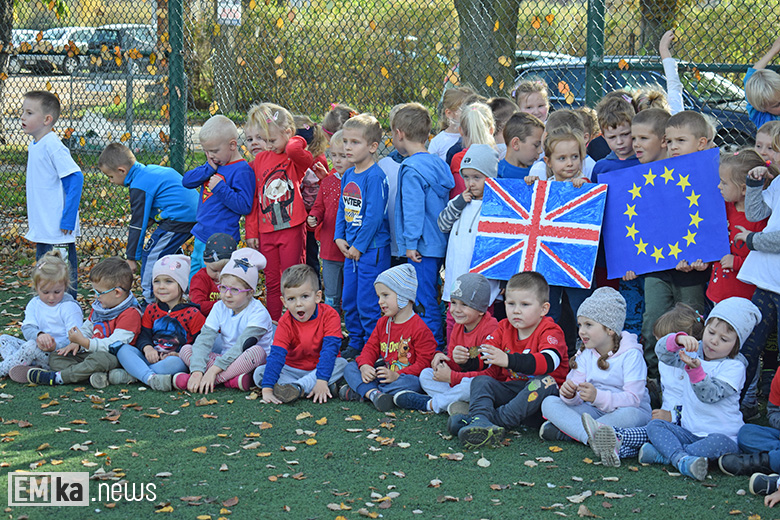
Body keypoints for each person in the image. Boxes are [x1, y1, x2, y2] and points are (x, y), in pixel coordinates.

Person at [640, 297, 759, 481]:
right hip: (688, 431)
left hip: (723, 435)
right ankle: (682, 459)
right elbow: (663, 354)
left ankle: (667, 455)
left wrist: (695, 370)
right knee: (655, 425)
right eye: (711, 332)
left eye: (724, 339)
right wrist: (677, 338)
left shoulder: (735, 367)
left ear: (736, 344)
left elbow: (709, 395)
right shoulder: (694, 352)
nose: (714, 341)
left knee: (719, 443)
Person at [452, 272, 569, 449]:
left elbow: (548, 361)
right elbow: (485, 353)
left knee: (544, 382)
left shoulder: (551, 330)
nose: (516, 310)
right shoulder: (504, 326)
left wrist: (507, 359)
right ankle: (480, 419)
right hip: (514, 390)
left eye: (525, 305)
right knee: (481, 380)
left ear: (544, 309)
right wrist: (466, 357)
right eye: (511, 303)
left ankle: (495, 421)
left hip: (544, 399)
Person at [581, 303, 705, 467]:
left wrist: (673, 416)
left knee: (651, 431)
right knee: (652, 437)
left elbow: (696, 405)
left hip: (681, 425)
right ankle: (617, 449)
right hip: (665, 423)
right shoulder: (666, 362)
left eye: (663, 341)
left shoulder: (696, 366)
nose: (658, 346)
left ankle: (615, 435)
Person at [539, 288, 651, 467]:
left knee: (631, 415)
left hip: (625, 412)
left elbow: (634, 399)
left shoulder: (631, 355)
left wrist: (597, 397)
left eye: (588, 325)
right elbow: (576, 394)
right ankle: (593, 437)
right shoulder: (585, 353)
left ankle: (570, 432)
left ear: (609, 329)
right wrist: (569, 395)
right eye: (580, 325)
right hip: (594, 412)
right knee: (549, 403)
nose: (581, 331)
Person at [641, 111, 712, 378]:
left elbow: (714, 225)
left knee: (691, 325)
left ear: (701, 143)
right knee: (652, 324)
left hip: (694, 271)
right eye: (669, 141)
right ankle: (654, 380)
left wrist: (705, 257)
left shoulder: (711, 176)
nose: (673, 147)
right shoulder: (654, 176)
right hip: (658, 268)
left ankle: (691, 377)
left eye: (681, 140)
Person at [11, 257, 141, 389]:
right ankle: (95, 376)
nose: (96, 296)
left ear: (117, 292)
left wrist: (85, 343)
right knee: (56, 358)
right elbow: (88, 327)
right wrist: (76, 344)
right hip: (91, 352)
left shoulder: (130, 313)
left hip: (114, 357)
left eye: (99, 292)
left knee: (99, 360)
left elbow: (114, 345)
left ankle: (58, 378)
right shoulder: (102, 306)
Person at [98, 143, 198, 302]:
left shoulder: (139, 185)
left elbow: (137, 225)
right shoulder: (148, 172)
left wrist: (131, 257)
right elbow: (150, 212)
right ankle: (181, 292)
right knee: (169, 252)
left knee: (151, 255)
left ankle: (149, 299)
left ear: (122, 171)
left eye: (110, 176)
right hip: (189, 213)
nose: (110, 181)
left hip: (179, 216)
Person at [244, 103, 315, 321]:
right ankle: (273, 325)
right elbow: (255, 200)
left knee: (293, 279)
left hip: (291, 228)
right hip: (267, 231)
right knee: (273, 282)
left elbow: (297, 149)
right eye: (266, 140)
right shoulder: (259, 161)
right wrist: (252, 232)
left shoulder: (294, 157)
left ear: (288, 133)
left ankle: (298, 322)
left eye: (271, 139)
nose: (268, 145)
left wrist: (293, 139)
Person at [393, 103, 455, 346]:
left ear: (399, 134)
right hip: (438, 241)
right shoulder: (438, 163)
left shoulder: (411, 169)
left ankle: (431, 347)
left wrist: (410, 243)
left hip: (421, 246)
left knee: (422, 297)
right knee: (434, 293)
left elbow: (413, 210)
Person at [174, 248, 274, 393]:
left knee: (257, 352)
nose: (227, 294)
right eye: (223, 288)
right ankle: (230, 379)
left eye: (235, 290)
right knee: (187, 349)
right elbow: (204, 339)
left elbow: (242, 346)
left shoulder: (258, 312)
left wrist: (212, 372)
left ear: (250, 292)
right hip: (225, 359)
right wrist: (197, 371)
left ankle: (214, 381)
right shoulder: (219, 307)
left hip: (247, 359)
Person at [396, 273, 499, 413]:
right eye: (454, 302)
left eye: (464, 304)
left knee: (469, 386)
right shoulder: (458, 325)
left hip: (484, 385)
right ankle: (457, 404)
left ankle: (431, 405)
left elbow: (490, 374)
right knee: (426, 374)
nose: (456, 310)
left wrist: (452, 376)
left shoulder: (491, 329)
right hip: (460, 382)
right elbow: (455, 364)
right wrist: (443, 359)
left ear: (481, 309)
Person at [340, 264, 437, 411]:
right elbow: (370, 348)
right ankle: (375, 394)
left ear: (404, 295)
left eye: (385, 295)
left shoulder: (420, 328)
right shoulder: (383, 323)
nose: (380, 301)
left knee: (415, 383)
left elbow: (424, 364)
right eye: (379, 296)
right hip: (383, 375)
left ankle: (364, 392)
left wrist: (396, 375)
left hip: (401, 378)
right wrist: (365, 366)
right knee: (350, 367)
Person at [334, 114, 391, 358]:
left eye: (354, 142)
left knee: (369, 302)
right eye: (345, 141)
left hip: (372, 250)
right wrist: (339, 237)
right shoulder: (349, 174)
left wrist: (359, 245)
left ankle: (371, 347)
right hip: (351, 251)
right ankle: (356, 343)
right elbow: (342, 209)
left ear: (372, 146)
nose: (347, 147)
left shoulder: (374, 176)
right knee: (350, 299)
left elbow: (374, 217)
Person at [110, 255, 205, 391]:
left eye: (168, 281)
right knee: (123, 349)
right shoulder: (151, 309)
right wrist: (147, 348)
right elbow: (144, 335)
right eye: (157, 281)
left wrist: (180, 354)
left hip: (174, 360)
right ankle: (150, 378)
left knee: (174, 363)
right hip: (150, 357)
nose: (161, 287)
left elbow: (200, 344)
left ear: (182, 285)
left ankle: (135, 374)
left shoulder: (192, 313)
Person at [254, 264, 347, 404]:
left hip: (320, 367)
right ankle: (313, 386)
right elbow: (277, 355)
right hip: (292, 369)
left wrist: (321, 380)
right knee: (259, 373)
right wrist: (267, 389)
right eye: (291, 299)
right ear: (284, 302)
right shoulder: (285, 322)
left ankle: (300, 387)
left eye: (304, 296)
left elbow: (330, 351)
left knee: (342, 364)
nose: (298, 304)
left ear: (317, 296)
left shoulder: (330, 315)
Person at [21, 90, 83, 296]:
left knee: (61, 278)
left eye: (29, 113)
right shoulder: (36, 144)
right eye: (23, 111)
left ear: (47, 119)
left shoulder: (53, 146)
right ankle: (48, 317)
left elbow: (75, 178)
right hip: (44, 228)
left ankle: (68, 317)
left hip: (58, 230)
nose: (22, 116)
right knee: (46, 276)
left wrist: (68, 219)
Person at [437, 144, 500, 339]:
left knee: (480, 319)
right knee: (452, 318)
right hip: (457, 274)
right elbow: (442, 224)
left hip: (482, 278)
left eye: (477, 177)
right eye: (466, 177)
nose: (470, 183)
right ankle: (451, 352)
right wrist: (458, 203)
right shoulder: (458, 202)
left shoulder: (496, 206)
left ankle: (479, 358)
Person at [182, 115, 255, 279]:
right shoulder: (214, 165)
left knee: (218, 278)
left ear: (232, 145)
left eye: (214, 151)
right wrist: (208, 169)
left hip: (223, 238)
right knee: (196, 276)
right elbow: (186, 181)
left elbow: (244, 205)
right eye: (206, 151)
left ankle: (219, 304)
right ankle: (195, 304)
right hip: (202, 233)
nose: (210, 155)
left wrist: (221, 189)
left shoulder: (241, 170)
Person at [736, 159, 780, 418]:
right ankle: (737, 403)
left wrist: (752, 240)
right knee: (748, 346)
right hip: (764, 283)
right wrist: (754, 184)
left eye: (769, 148)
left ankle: (775, 409)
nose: (763, 154)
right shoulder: (777, 183)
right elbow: (755, 214)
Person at [1, 251, 82, 377]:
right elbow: (28, 328)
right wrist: (39, 335)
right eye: (45, 292)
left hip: (57, 356)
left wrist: (54, 345)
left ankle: (5, 368)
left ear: (65, 286)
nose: (51, 297)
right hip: (35, 348)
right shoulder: (34, 303)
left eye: (57, 291)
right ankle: (27, 367)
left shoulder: (70, 307)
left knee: (30, 347)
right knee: (4, 339)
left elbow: (77, 340)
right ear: (36, 287)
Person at [708, 150, 769, 303]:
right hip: (717, 291)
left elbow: (765, 259)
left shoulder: (761, 219)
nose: (719, 186)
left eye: (724, 182)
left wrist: (736, 263)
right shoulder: (723, 208)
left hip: (743, 296)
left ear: (744, 189)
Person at [307, 130, 348, 312]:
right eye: (334, 155)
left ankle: (348, 320)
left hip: (350, 248)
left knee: (349, 290)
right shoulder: (328, 181)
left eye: (343, 156)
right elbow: (319, 205)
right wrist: (314, 217)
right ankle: (332, 321)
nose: (337, 160)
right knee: (331, 290)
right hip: (329, 247)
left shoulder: (358, 181)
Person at [590, 93, 639, 181]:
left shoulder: (648, 161)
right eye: (612, 137)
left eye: (625, 134)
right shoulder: (601, 168)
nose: (619, 142)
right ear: (604, 137)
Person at [189, 233, 237, 317]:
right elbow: (197, 305)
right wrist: (225, 304)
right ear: (205, 262)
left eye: (224, 271)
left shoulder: (236, 277)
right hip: (206, 322)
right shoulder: (200, 279)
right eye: (214, 270)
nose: (219, 276)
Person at [429, 87, 474, 161]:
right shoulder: (438, 142)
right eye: (464, 110)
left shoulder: (473, 136)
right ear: (449, 113)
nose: (470, 113)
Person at [745, 35, 780, 129]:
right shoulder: (760, 116)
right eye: (777, 105)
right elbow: (749, 79)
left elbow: (750, 76)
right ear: (762, 108)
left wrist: (774, 50)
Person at [498, 112, 544, 180]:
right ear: (516, 143)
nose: (540, 151)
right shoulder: (496, 173)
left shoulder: (540, 170)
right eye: (536, 145)